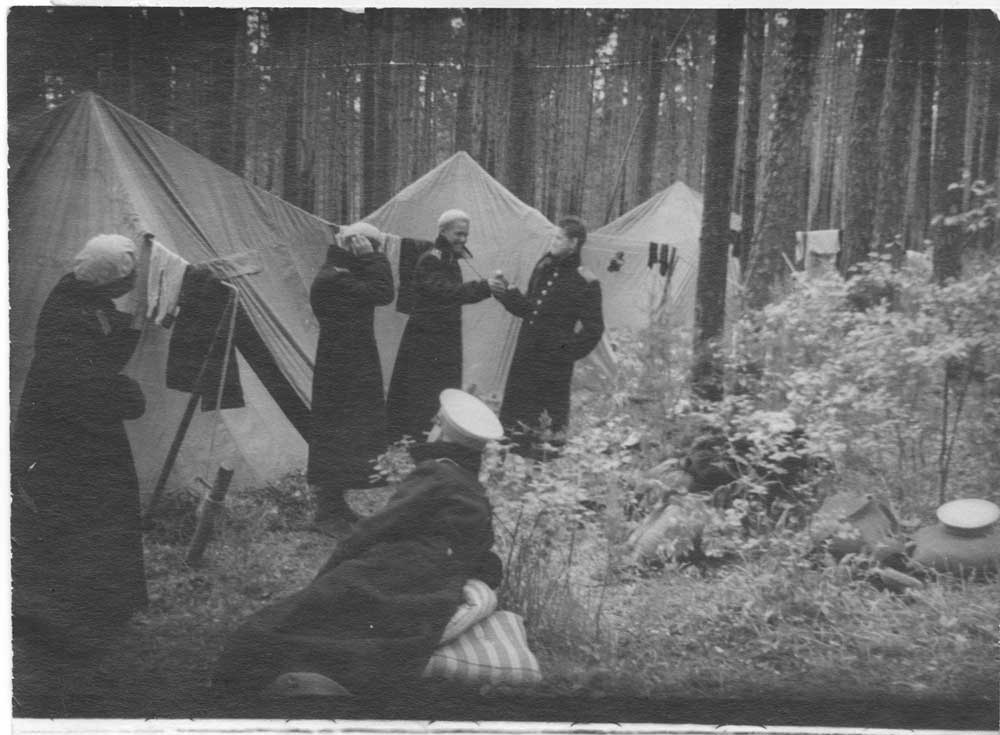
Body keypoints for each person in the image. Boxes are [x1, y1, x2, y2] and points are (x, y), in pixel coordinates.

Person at [213, 388, 505, 698]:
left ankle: (256, 684)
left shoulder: (435, 472)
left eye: (436, 423)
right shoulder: (474, 490)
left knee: (277, 627)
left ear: (441, 432)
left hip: (393, 571)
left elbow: (375, 528)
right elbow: (481, 550)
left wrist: (328, 573)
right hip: (436, 593)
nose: (431, 428)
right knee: (362, 634)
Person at [11, 233, 149, 654]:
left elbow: (102, 344)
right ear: (108, 276)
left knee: (98, 517)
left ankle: (99, 607)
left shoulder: (82, 296)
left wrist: (137, 323)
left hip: (84, 432)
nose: (130, 283)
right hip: (64, 438)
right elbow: (80, 381)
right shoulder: (68, 317)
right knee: (77, 522)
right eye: (126, 277)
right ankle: (70, 623)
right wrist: (127, 395)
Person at [308, 222, 395, 536]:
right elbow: (384, 293)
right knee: (336, 435)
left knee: (345, 435)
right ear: (356, 244)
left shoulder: (342, 273)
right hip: (341, 368)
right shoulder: (335, 277)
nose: (376, 252)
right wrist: (374, 258)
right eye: (371, 246)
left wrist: (369, 259)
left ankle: (335, 504)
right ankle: (325, 513)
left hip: (347, 364)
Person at [489, 216, 604, 449]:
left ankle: (541, 456)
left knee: (544, 430)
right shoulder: (544, 266)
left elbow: (594, 328)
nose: (553, 241)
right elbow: (529, 309)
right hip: (527, 353)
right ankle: (512, 451)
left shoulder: (585, 281)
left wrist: (567, 351)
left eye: (559, 238)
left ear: (573, 243)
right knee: (515, 421)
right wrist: (505, 293)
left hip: (553, 363)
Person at [385, 209, 492, 442]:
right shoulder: (431, 259)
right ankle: (415, 440)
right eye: (458, 234)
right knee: (422, 393)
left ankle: (434, 438)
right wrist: (484, 287)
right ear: (443, 231)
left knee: (440, 390)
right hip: (425, 341)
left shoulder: (449, 258)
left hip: (443, 339)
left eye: (466, 235)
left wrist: (485, 287)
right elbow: (446, 292)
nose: (463, 239)